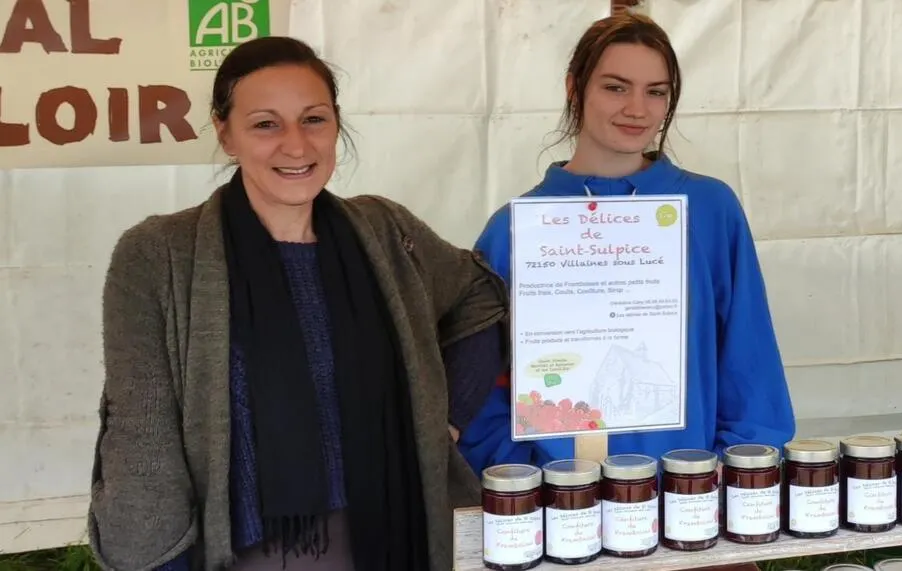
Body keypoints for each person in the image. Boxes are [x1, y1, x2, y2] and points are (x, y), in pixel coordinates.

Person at [87, 36, 507, 571]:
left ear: (336, 124)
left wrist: (443, 419)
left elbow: (479, 296)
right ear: (225, 133)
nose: (296, 145)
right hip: (250, 554)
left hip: (397, 532)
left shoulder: (385, 231)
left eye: (313, 119)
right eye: (266, 124)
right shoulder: (158, 255)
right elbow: (143, 434)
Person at [458, 12, 795, 475]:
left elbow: (750, 361)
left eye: (656, 92)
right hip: (558, 498)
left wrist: (726, 473)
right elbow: (479, 383)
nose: (638, 109)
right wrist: (524, 473)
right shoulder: (514, 230)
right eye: (616, 87)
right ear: (574, 88)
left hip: (688, 491)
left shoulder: (710, 210)